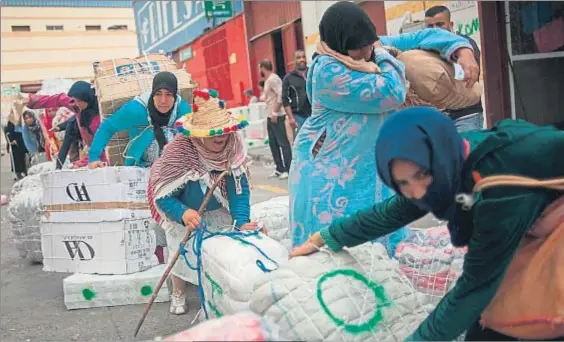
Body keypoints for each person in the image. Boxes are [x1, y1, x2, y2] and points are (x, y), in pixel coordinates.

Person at [291, 107, 564, 341]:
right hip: (539, 214)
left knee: (542, 306)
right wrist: (324, 238)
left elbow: (475, 287)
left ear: (438, 156)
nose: (418, 191)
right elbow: (394, 212)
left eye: (422, 175)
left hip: (544, 215)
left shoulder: (495, 186)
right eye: (403, 183)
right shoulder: (451, 161)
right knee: (494, 312)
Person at [289, 1, 479, 255]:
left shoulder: (369, 47)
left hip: (367, 168)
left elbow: (423, 36)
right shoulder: (327, 71)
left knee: (378, 244)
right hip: (329, 172)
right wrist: (383, 53)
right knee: (332, 253)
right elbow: (390, 91)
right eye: (359, 49)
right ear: (340, 44)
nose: (366, 52)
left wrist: (462, 51)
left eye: (369, 44)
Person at [148, 89, 258, 315]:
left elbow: (239, 190)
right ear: (197, 134)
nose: (220, 138)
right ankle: (178, 291)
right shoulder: (178, 152)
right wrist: (183, 213)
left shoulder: (232, 146)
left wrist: (241, 221)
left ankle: (214, 291)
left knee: (223, 250)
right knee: (181, 251)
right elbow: (164, 196)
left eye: (223, 132)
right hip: (183, 210)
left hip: (217, 208)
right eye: (212, 133)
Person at [88, 71, 190, 168]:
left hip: (175, 167)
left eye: (168, 94)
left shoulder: (183, 112)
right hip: (140, 166)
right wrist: (93, 158)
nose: (163, 101)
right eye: (158, 94)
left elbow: (195, 137)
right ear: (153, 94)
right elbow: (108, 127)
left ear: (175, 96)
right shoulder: (136, 110)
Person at [425, 5, 484, 131]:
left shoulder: (465, 47)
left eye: (440, 24)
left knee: (467, 150)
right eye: (430, 26)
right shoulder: (425, 48)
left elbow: (461, 79)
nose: (435, 30)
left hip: (466, 116)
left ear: (450, 24)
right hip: (438, 118)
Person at [20, 80, 106, 168]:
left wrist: (81, 163)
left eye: (78, 101)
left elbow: (100, 149)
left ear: (87, 99)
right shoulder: (76, 106)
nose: (75, 104)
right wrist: (33, 100)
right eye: (74, 100)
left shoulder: (99, 120)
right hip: (87, 147)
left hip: (102, 156)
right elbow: (58, 99)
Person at [260, 59, 292, 180]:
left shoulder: (273, 79)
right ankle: (279, 168)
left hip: (276, 116)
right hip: (270, 115)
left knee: (283, 142)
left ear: (262, 68)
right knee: (273, 143)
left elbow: (281, 95)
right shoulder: (268, 80)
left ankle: (288, 169)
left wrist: (275, 112)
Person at [282, 50, 312, 133]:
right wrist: (291, 118)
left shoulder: (312, 73)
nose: (301, 59)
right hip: (298, 116)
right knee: (301, 143)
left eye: (303, 57)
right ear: (294, 61)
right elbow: (285, 99)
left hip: (314, 115)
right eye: (298, 58)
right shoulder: (288, 78)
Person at [5, 109, 28, 180]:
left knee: (23, 155)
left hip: (23, 138)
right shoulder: (11, 120)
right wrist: (11, 140)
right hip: (15, 140)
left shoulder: (23, 118)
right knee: (16, 157)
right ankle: (17, 172)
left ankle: (24, 170)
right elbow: (8, 131)